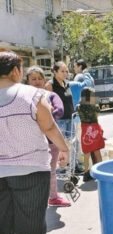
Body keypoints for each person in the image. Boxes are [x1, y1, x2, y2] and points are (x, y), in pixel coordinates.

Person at [0, 51, 69, 234]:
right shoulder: (32, 94)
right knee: (33, 216)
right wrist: (64, 148)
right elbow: (49, 127)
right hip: (31, 167)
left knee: (0, 217)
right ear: (15, 71)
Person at [26, 66, 71, 207]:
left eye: (40, 78)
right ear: (27, 81)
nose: (37, 81)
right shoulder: (22, 96)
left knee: (51, 170)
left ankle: (53, 197)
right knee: (31, 172)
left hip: (51, 140)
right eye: (33, 79)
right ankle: (32, 199)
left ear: (44, 80)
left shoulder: (50, 95)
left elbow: (60, 110)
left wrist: (48, 113)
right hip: (29, 141)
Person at [76, 87, 105, 182]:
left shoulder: (78, 107)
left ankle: (86, 173)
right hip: (95, 130)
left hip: (85, 130)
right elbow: (97, 117)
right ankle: (101, 171)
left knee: (86, 153)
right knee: (97, 152)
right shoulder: (95, 107)